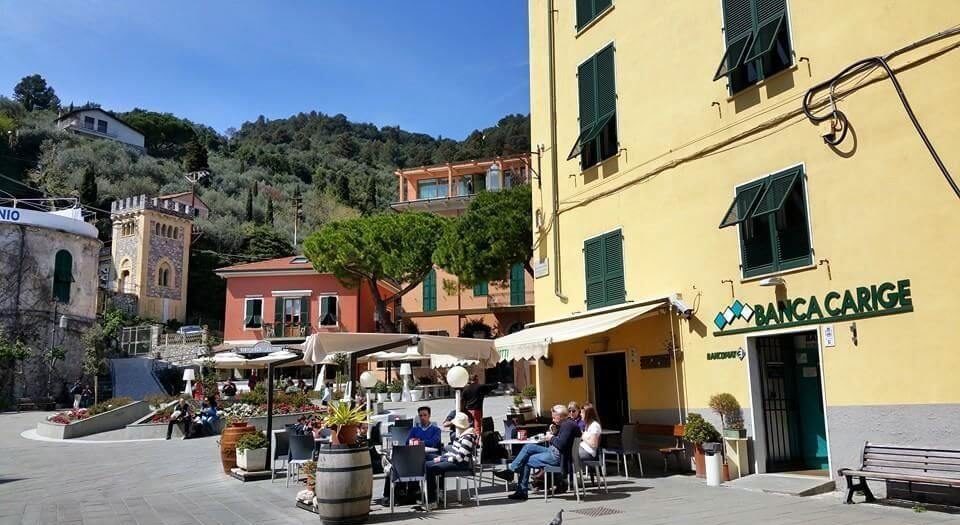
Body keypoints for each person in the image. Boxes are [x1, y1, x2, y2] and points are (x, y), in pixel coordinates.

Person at [494, 404, 581, 500]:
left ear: (559, 416)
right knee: (528, 447)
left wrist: (551, 438)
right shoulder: (568, 424)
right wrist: (555, 431)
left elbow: (562, 445)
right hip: (554, 452)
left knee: (525, 460)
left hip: (557, 457)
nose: (552, 420)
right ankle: (511, 471)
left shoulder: (567, 426)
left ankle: (521, 490)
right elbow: (563, 440)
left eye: (553, 417)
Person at [425, 412, 477, 504]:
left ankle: (432, 500)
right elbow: (455, 453)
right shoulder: (463, 435)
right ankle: (436, 495)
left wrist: (442, 459)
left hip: (460, 464)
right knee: (428, 463)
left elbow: (460, 457)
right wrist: (443, 457)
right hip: (456, 461)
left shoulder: (467, 438)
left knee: (431, 468)